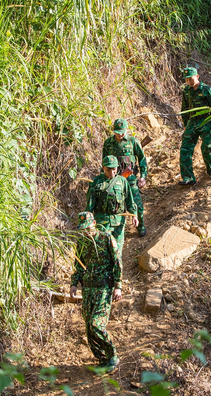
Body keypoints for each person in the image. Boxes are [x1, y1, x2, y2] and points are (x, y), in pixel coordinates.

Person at [70, 212, 122, 373]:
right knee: (88, 327)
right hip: (88, 288)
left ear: (93, 223)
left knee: (96, 323)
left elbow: (116, 262)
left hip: (103, 288)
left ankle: (112, 355)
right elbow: (79, 265)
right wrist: (73, 284)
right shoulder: (82, 242)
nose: (86, 232)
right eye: (83, 229)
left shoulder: (106, 238)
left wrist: (118, 285)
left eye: (88, 228)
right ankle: (102, 359)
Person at [102, 118, 148, 237]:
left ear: (127, 129)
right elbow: (105, 162)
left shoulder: (133, 142)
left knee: (136, 203)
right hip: (114, 180)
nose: (120, 134)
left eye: (122, 131)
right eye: (117, 131)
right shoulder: (108, 143)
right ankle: (114, 231)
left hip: (130, 179)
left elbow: (142, 159)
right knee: (113, 205)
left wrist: (143, 176)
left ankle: (141, 226)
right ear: (113, 130)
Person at [86, 155, 139, 256]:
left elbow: (130, 201)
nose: (112, 173)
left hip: (119, 223)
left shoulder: (122, 181)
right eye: (108, 170)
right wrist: (89, 223)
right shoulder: (96, 182)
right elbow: (89, 205)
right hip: (102, 222)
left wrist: (134, 215)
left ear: (117, 168)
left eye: (114, 169)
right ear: (103, 168)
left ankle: (118, 271)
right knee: (104, 253)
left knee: (117, 254)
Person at [179, 67, 211, 186]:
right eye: (187, 80)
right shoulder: (186, 91)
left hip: (205, 121)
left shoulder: (207, 90)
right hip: (192, 122)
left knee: (206, 147)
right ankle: (188, 177)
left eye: (191, 79)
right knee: (185, 148)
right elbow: (184, 109)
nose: (189, 82)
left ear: (197, 77)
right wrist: (185, 124)